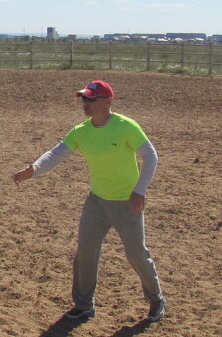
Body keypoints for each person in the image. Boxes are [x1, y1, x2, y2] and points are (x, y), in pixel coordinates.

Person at [12, 79, 165, 323]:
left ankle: (156, 298)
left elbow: (150, 155)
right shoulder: (81, 132)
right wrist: (34, 169)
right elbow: (56, 153)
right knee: (85, 251)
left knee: (136, 253)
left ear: (107, 102)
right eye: (84, 98)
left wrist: (140, 189)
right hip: (97, 201)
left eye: (91, 99)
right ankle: (84, 305)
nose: (86, 103)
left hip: (127, 202)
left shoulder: (126, 126)